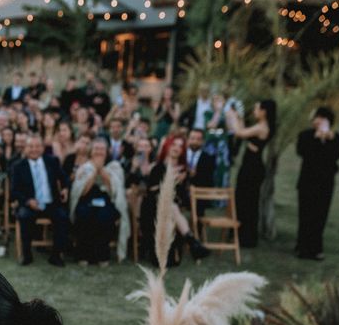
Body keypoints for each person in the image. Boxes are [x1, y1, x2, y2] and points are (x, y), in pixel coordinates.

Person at [139, 136, 210, 264]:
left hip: (172, 209)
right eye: (174, 144)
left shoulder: (183, 170)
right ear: (168, 146)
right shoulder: (158, 167)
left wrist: (182, 182)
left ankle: (192, 243)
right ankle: (192, 242)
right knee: (171, 206)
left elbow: (182, 197)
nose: (177, 148)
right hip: (153, 207)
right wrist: (171, 181)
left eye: (180, 146)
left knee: (172, 206)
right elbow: (151, 190)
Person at [9, 133, 71, 267]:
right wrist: (28, 201)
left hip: (50, 203)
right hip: (30, 203)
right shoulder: (18, 166)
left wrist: (65, 188)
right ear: (25, 148)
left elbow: (64, 177)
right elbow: (14, 191)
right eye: (30, 146)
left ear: (42, 148)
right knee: (24, 216)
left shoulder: (52, 161)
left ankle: (56, 255)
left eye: (37, 146)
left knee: (62, 216)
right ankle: (26, 254)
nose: (34, 149)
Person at [69, 138, 127, 265]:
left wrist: (101, 170)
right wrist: (95, 171)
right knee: (84, 214)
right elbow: (81, 191)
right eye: (96, 149)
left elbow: (114, 191)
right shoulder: (84, 167)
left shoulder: (114, 166)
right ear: (91, 151)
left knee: (104, 216)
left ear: (107, 152)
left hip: (107, 199)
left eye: (102, 149)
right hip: (87, 198)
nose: (99, 152)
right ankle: (83, 255)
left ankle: (102, 256)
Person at [295, 106, 339, 261]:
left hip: (325, 183)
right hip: (307, 181)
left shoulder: (336, 138)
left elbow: (336, 156)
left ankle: (315, 248)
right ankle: (302, 247)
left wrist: (327, 139)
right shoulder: (306, 135)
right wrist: (317, 138)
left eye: (320, 119)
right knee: (305, 214)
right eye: (315, 118)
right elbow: (302, 152)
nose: (316, 121)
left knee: (320, 215)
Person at [227, 99, 275, 248]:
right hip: (249, 165)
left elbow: (239, 133)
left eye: (256, 109)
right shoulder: (259, 125)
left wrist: (232, 116)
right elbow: (244, 132)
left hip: (253, 168)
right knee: (242, 198)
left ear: (264, 111)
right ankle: (239, 233)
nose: (254, 111)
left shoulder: (262, 127)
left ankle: (247, 237)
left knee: (248, 200)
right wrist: (239, 117)